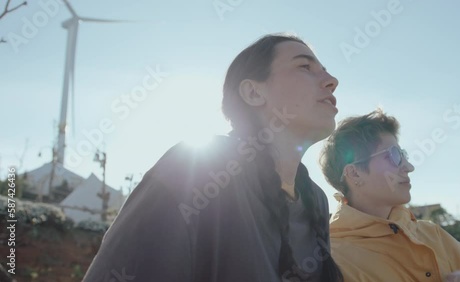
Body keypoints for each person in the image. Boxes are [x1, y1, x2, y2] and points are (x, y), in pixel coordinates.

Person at [83, 34, 344, 282]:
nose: (332, 80)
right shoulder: (195, 168)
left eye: (325, 70)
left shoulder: (315, 201)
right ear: (254, 93)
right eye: (305, 67)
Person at [320, 109, 460, 282]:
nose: (409, 166)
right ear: (354, 173)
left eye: (403, 154)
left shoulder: (434, 235)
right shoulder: (331, 258)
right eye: (394, 155)